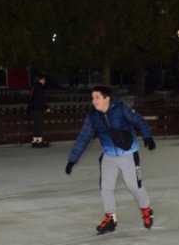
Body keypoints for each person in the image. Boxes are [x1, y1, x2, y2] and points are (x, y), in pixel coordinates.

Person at [65, 86, 157, 234]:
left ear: (106, 98)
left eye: (97, 97)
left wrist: (148, 137)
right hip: (108, 155)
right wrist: (72, 160)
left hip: (128, 153)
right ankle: (110, 219)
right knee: (106, 187)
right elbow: (83, 137)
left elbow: (138, 120)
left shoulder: (121, 108)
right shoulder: (93, 116)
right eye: (92, 98)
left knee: (134, 185)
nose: (93, 101)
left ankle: (146, 209)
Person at [28, 74, 51, 147]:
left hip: (32, 108)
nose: (45, 81)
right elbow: (41, 99)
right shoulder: (40, 87)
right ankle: (40, 141)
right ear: (41, 80)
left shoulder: (34, 86)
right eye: (44, 80)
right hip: (37, 109)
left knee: (36, 124)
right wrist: (46, 108)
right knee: (39, 124)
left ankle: (34, 140)